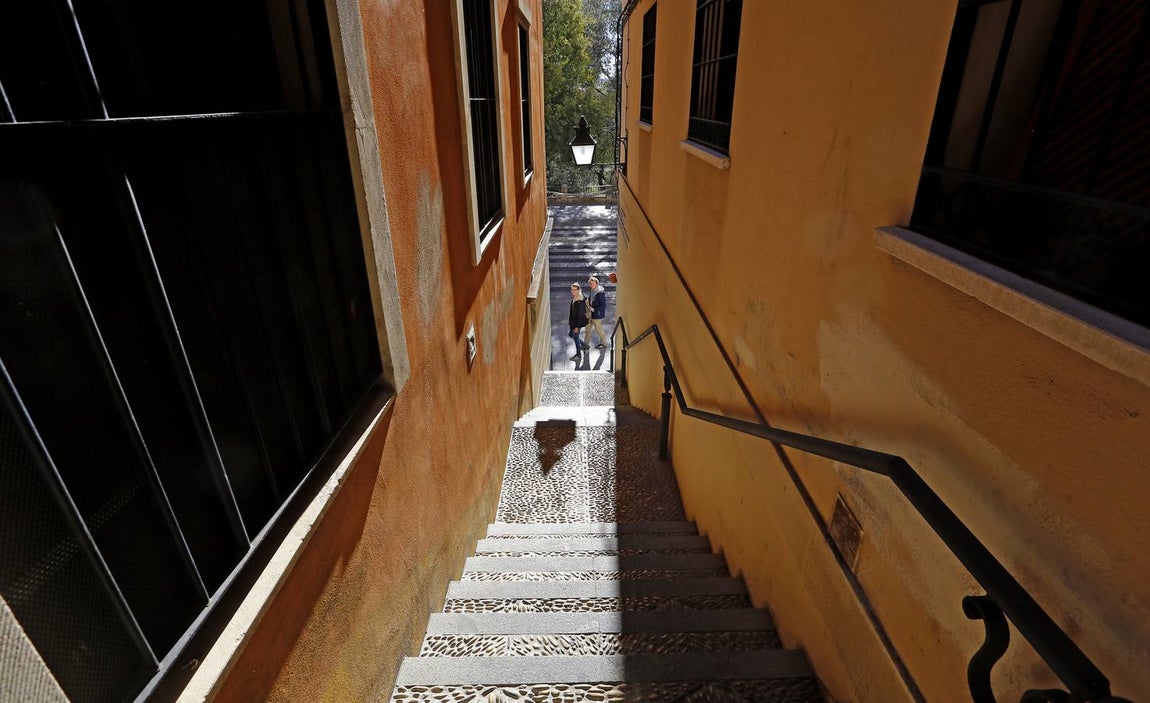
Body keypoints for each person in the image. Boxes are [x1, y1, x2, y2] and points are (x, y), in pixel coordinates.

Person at [568, 283, 590, 361]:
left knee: (576, 336)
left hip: (577, 323)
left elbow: (580, 316)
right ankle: (585, 346)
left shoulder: (579, 301)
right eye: (572, 289)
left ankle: (578, 354)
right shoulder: (576, 297)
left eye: (574, 290)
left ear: (579, 290)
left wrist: (577, 327)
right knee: (571, 334)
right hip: (573, 322)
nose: (572, 291)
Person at [584, 276, 608, 349]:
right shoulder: (592, 289)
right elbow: (591, 298)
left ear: (597, 284)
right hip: (589, 313)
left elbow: (603, 305)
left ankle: (603, 343)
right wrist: (587, 300)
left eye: (593, 283)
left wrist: (594, 309)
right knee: (587, 329)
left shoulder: (600, 293)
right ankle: (585, 344)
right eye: (590, 284)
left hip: (596, 314)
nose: (591, 285)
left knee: (598, 329)